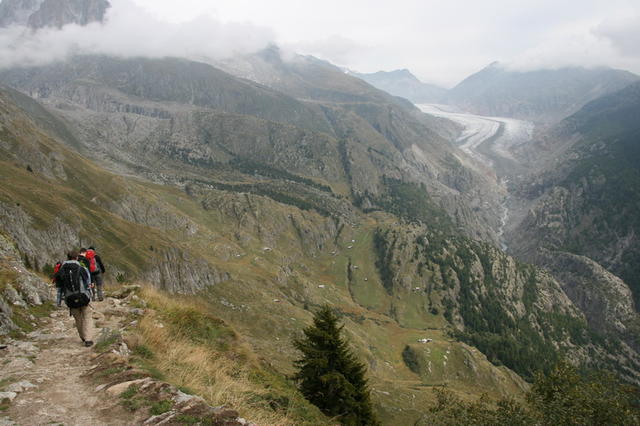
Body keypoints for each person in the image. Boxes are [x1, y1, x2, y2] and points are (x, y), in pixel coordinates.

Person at [55, 250, 94, 347]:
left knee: (78, 319)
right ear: (77, 258)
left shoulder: (61, 270)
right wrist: (91, 296)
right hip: (83, 297)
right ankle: (88, 339)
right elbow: (88, 284)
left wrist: (59, 302)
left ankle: (83, 336)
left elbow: (59, 288)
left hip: (70, 299)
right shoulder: (81, 268)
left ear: (68, 257)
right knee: (87, 317)